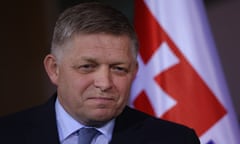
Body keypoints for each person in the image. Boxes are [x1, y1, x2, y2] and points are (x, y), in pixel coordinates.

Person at [0, 2, 200, 144]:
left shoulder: (175, 140)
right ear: (54, 69)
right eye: (87, 66)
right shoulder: (7, 135)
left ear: (134, 72)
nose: (104, 83)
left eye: (119, 68)